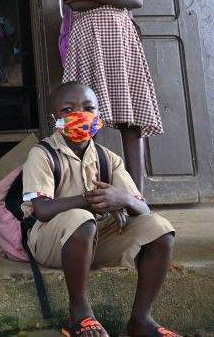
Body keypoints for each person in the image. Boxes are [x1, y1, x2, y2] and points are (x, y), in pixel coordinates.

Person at [23, 81, 177, 337]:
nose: (80, 115)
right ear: (54, 118)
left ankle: (141, 320)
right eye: (68, 110)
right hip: (52, 242)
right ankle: (80, 314)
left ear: (98, 115)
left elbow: (143, 208)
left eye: (88, 108)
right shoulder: (42, 154)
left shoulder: (108, 158)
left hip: (94, 239)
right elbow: (41, 209)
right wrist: (91, 199)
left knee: (160, 228)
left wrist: (122, 199)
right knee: (82, 218)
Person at [57, 0, 162, 191]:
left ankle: (137, 195)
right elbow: (74, 3)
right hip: (88, 40)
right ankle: (94, 191)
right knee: (88, 119)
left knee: (132, 120)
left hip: (123, 41)